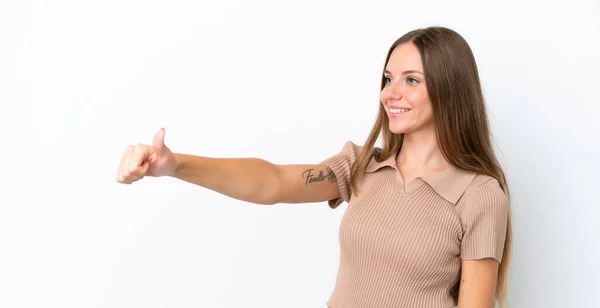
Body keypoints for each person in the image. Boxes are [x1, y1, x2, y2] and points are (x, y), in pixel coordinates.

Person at [116, 26, 512, 308]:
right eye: (388, 78)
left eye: (411, 80)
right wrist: (175, 164)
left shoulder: (478, 195)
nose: (390, 93)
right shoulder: (362, 167)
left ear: (449, 88)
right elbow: (273, 182)